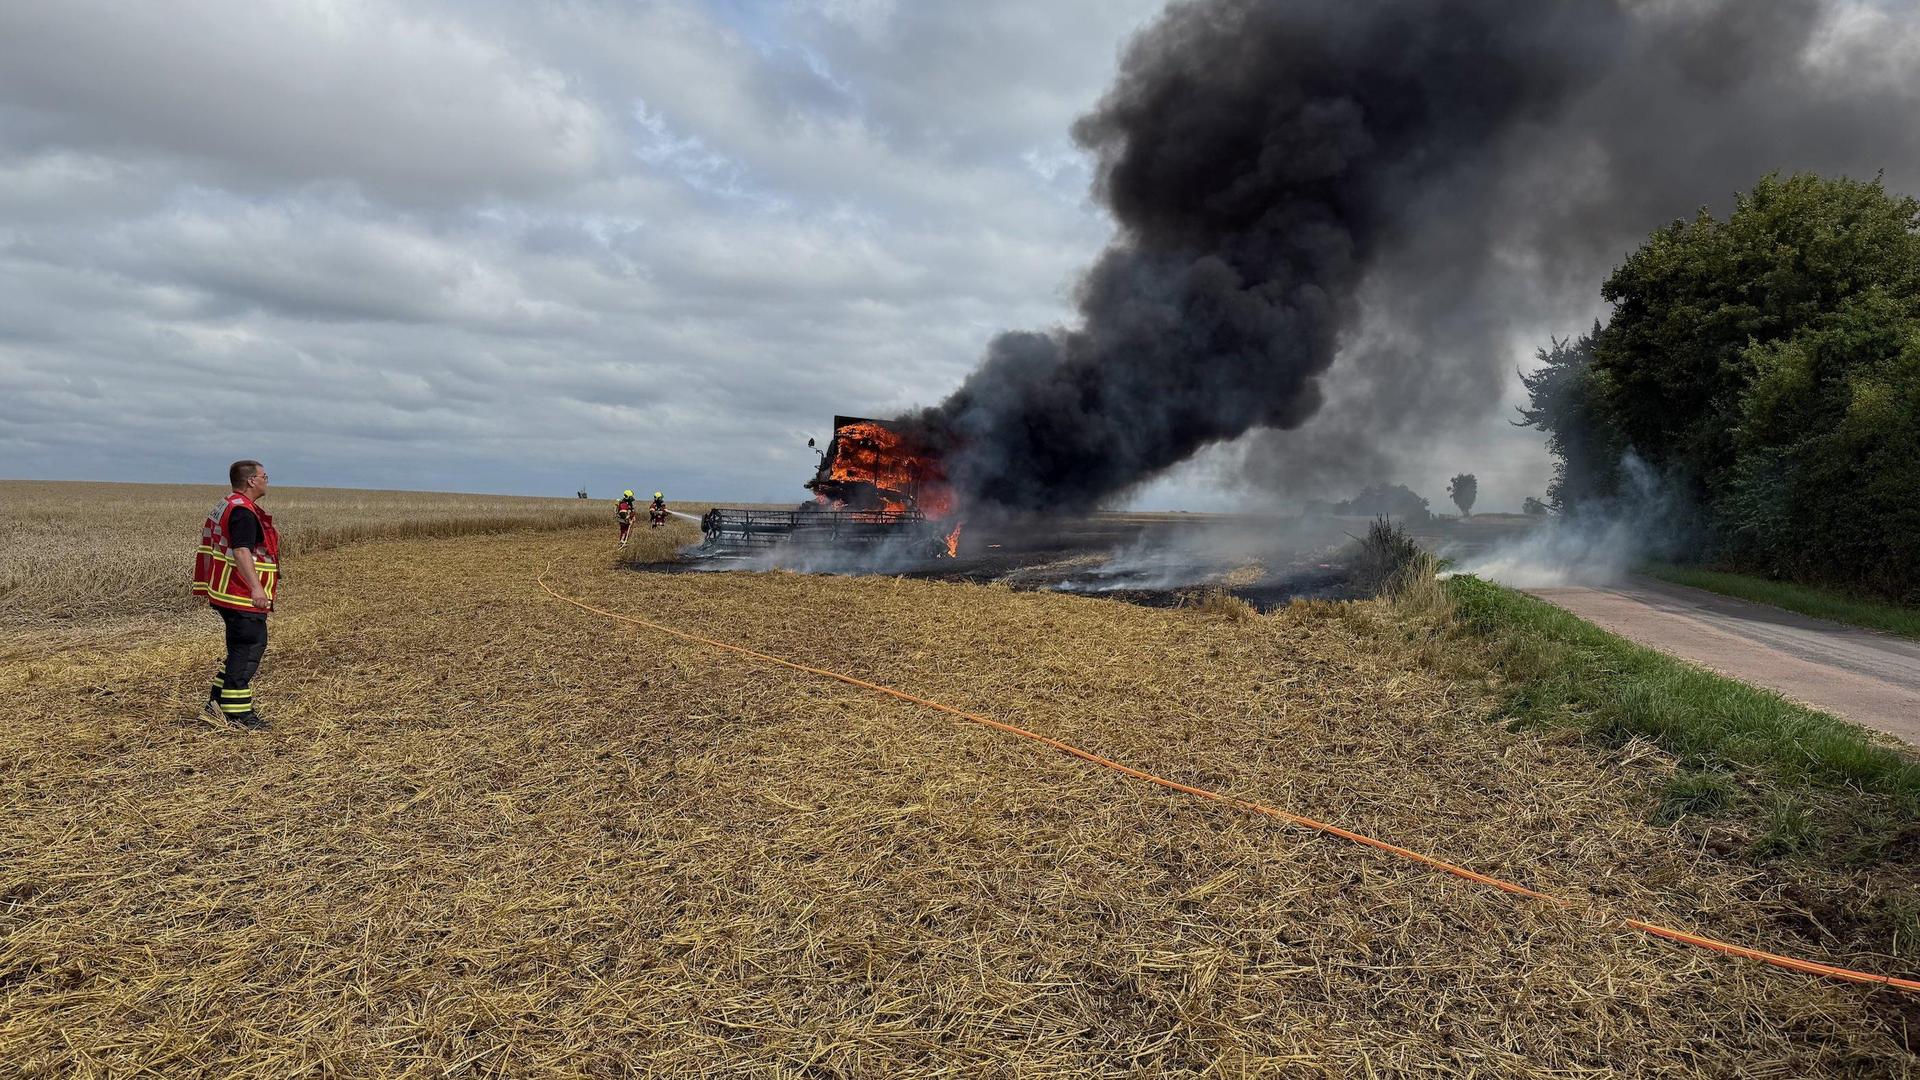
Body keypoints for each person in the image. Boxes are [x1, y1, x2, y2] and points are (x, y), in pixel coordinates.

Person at [191, 460, 280, 730]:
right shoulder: (242, 512)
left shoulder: (227, 504)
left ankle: (216, 702)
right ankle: (238, 713)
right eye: (265, 476)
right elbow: (241, 551)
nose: (267, 480)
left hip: (225, 590)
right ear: (251, 480)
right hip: (240, 594)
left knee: (238, 650)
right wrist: (256, 587)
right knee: (249, 649)